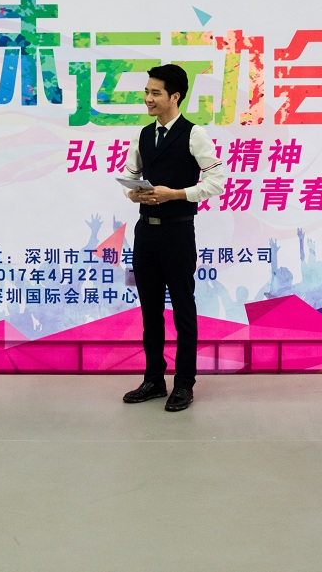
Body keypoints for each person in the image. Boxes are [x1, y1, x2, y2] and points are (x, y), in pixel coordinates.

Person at [118, 64, 225, 411]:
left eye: (155, 93)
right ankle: (153, 379)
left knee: (183, 309)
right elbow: (129, 176)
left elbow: (217, 182)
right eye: (146, 92)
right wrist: (134, 193)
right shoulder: (142, 135)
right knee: (150, 311)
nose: (148, 99)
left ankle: (184, 383)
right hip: (145, 232)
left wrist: (175, 194)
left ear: (175, 96)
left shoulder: (194, 135)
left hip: (178, 231)